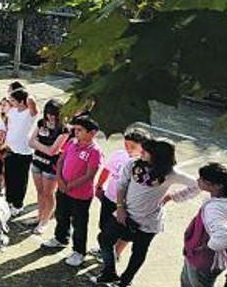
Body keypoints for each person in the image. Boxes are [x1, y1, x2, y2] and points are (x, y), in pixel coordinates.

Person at [96, 138, 200, 287]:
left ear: (158, 156)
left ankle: (125, 281)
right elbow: (122, 186)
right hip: (125, 213)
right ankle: (109, 271)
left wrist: (173, 197)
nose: (141, 153)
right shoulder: (132, 165)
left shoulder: (171, 174)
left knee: (138, 252)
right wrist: (120, 208)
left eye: (145, 152)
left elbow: (197, 185)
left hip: (149, 221)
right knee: (104, 238)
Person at [41, 117, 102, 267]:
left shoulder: (94, 151)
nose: (76, 132)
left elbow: (89, 175)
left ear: (92, 133)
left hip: (80, 195)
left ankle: (79, 251)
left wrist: (70, 185)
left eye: (80, 130)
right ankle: (60, 238)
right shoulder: (72, 142)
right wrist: (60, 180)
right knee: (61, 215)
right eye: (75, 129)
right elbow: (61, 160)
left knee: (79, 223)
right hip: (63, 189)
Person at [91, 128, 149, 257]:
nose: (128, 148)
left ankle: (116, 253)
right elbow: (106, 170)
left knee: (124, 231)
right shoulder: (118, 155)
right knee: (104, 226)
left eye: (133, 146)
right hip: (110, 198)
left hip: (127, 205)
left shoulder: (145, 164)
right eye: (126, 145)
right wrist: (99, 186)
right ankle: (105, 249)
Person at [28, 100, 70, 235]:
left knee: (48, 193)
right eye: (49, 113)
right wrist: (45, 148)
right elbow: (30, 141)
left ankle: (45, 221)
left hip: (51, 166)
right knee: (40, 192)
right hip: (37, 161)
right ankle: (40, 216)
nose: (51, 117)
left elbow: (53, 151)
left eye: (54, 114)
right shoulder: (41, 123)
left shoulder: (64, 129)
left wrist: (39, 145)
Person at [3, 88, 38, 217]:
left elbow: (33, 106)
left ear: (22, 101)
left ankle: (18, 204)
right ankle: (9, 200)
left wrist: (27, 95)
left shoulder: (29, 113)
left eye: (13, 100)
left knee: (20, 180)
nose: (11, 102)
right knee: (9, 177)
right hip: (10, 149)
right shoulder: (12, 111)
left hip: (23, 152)